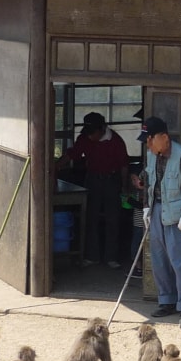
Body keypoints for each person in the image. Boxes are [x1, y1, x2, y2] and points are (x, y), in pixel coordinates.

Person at [134, 116, 181, 330]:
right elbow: (147, 178)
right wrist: (144, 201)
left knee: (179, 262)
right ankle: (166, 301)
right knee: (159, 260)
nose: (148, 144)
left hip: (176, 216)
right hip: (156, 210)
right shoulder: (152, 155)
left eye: (150, 139)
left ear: (164, 137)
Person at [58, 112, 130, 268]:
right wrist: (56, 166)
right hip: (92, 179)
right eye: (88, 133)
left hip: (112, 180)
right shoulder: (85, 138)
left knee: (113, 218)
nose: (91, 137)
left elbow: (124, 165)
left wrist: (124, 186)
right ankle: (92, 256)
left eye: (93, 134)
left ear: (102, 129)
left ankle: (111, 257)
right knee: (91, 217)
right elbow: (73, 154)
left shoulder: (116, 141)